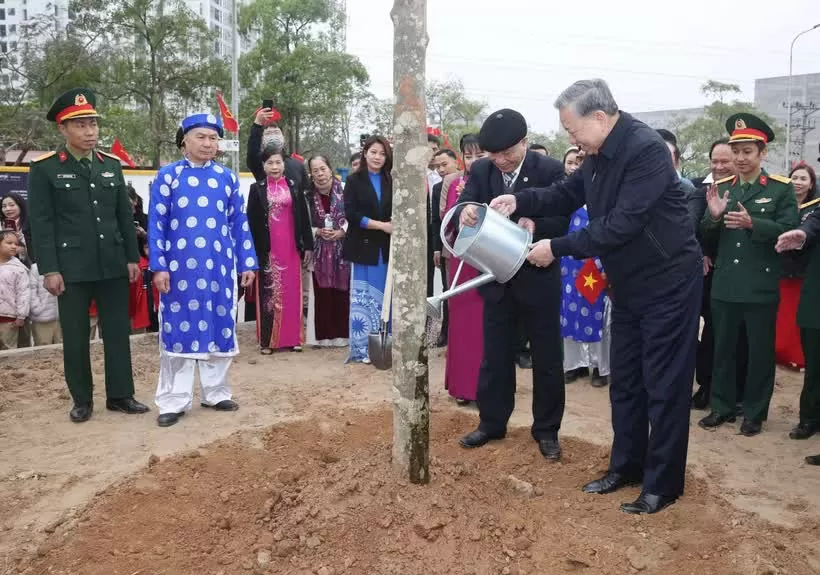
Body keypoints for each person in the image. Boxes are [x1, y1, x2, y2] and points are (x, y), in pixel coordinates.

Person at [490, 80, 702, 514]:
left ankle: (662, 484)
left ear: (599, 118)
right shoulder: (598, 155)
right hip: (626, 286)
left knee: (663, 385)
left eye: (572, 129)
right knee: (626, 382)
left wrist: (558, 248)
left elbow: (623, 223)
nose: (571, 139)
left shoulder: (645, 150)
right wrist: (519, 199)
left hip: (667, 284)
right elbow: (567, 193)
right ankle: (626, 465)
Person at [27, 88, 149, 423]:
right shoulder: (46, 169)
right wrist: (49, 269)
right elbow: (41, 223)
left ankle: (121, 395)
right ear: (63, 130)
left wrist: (130, 258)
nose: (90, 131)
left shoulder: (110, 166)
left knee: (117, 334)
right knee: (77, 338)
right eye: (80, 125)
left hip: (111, 264)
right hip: (72, 268)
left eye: (93, 124)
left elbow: (124, 218)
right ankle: (82, 399)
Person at [457, 108, 568, 461]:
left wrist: (537, 224)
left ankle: (546, 430)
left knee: (547, 358)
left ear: (523, 142)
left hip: (539, 277)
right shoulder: (481, 170)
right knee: (495, 356)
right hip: (496, 279)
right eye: (494, 154)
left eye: (508, 153)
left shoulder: (548, 170)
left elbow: (564, 216)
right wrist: (466, 211)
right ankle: (491, 423)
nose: (501, 161)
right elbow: (467, 201)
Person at [148, 112, 257, 427]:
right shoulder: (168, 176)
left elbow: (238, 222)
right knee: (179, 332)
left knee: (218, 327)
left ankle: (216, 392)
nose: (208, 143)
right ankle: (173, 400)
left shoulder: (226, 177)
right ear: (185, 139)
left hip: (220, 271)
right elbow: (157, 224)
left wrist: (246, 261)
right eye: (201, 137)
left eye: (213, 138)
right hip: (179, 273)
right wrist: (159, 266)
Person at [698, 114, 798, 437]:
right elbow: (705, 236)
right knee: (722, 349)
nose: (739, 159)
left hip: (760, 286)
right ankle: (722, 407)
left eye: (747, 152)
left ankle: (754, 412)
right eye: (736, 151)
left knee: (759, 353)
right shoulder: (722, 189)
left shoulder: (781, 190)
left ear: (762, 153)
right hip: (725, 284)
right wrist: (713, 219)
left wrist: (754, 224)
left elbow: (789, 230)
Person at [688, 139, 748, 411]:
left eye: (726, 161)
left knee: (737, 334)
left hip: (738, 274)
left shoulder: (746, 190)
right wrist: (700, 252)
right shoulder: (698, 188)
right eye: (716, 160)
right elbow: (689, 226)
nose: (720, 166)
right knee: (708, 332)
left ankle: (737, 391)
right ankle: (707, 385)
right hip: (703, 273)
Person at [247, 148, 313, 353]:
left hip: (291, 248)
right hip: (269, 250)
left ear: (284, 164)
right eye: (270, 163)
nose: (274, 167)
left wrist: (308, 245)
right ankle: (268, 341)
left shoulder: (294, 186)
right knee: (269, 295)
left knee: (293, 292)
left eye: (278, 162)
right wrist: (252, 252)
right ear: (263, 166)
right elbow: (251, 223)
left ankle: (293, 339)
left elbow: (303, 216)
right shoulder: (256, 189)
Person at [440, 134, 488, 405]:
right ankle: (462, 386)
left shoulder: (494, 181)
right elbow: (447, 223)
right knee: (462, 323)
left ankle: (486, 388)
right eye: (468, 156)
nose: (473, 162)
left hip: (488, 261)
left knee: (486, 325)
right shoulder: (454, 183)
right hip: (462, 260)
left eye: (479, 156)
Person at [559, 146, 610, 388]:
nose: (576, 166)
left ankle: (600, 367)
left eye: (581, 161)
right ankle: (574, 364)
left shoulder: (608, 194)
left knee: (597, 314)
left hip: (597, 264)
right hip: (570, 265)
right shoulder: (566, 196)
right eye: (572, 162)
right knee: (570, 313)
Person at [342, 135, 393, 364]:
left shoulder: (390, 180)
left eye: (382, 153)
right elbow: (351, 215)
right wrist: (381, 226)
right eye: (373, 152)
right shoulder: (354, 180)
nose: (377, 157)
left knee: (385, 296)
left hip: (385, 247)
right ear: (365, 153)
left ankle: (385, 345)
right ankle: (362, 349)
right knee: (364, 299)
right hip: (363, 247)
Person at [776, 206, 820, 461]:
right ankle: (810, 419)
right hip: (816, 302)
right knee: (814, 366)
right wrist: (802, 235)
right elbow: (812, 224)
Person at [775, 162, 818, 371]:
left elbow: (811, 231)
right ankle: (780, 353)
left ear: (811, 185)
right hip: (780, 268)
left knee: (796, 318)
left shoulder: (815, 208)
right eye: (795, 178)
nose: (798, 183)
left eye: (803, 179)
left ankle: (797, 357)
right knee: (781, 316)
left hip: (803, 270)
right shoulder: (782, 205)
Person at [306, 155, 350, 347]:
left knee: (342, 292)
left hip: (343, 251)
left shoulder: (346, 190)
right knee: (322, 293)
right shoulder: (307, 195)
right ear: (311, 174)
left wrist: (342, 231)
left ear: (330, 169)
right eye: (315, 170)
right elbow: (301, 223)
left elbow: (354, 215)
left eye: (322, 168)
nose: (320, 174)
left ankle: (344, 337)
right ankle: (323, 338)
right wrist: (317, 232)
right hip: (319, 252)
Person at [246, 107, 308, 192]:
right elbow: (252, 151)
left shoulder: (297, 165)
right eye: (268, 134)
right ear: (262, 139)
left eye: (276, 133)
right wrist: (257, 124)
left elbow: (307, 192)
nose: (273, 136)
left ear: (283, 137)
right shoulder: (259, 163)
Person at [0, 230, 30, 350]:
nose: (14, 246)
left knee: (8, 349)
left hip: (9, 319)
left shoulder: (19, 269)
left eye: (16, 244)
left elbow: (23, 293)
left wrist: (21, 316)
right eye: (9, 243)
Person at [28, 261, 61, 345]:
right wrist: (37, 308)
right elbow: (31, 289)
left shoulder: (65, 264)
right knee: (43, 349)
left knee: (62, 348)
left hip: (62, 317)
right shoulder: (36, 267)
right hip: (42, 317)